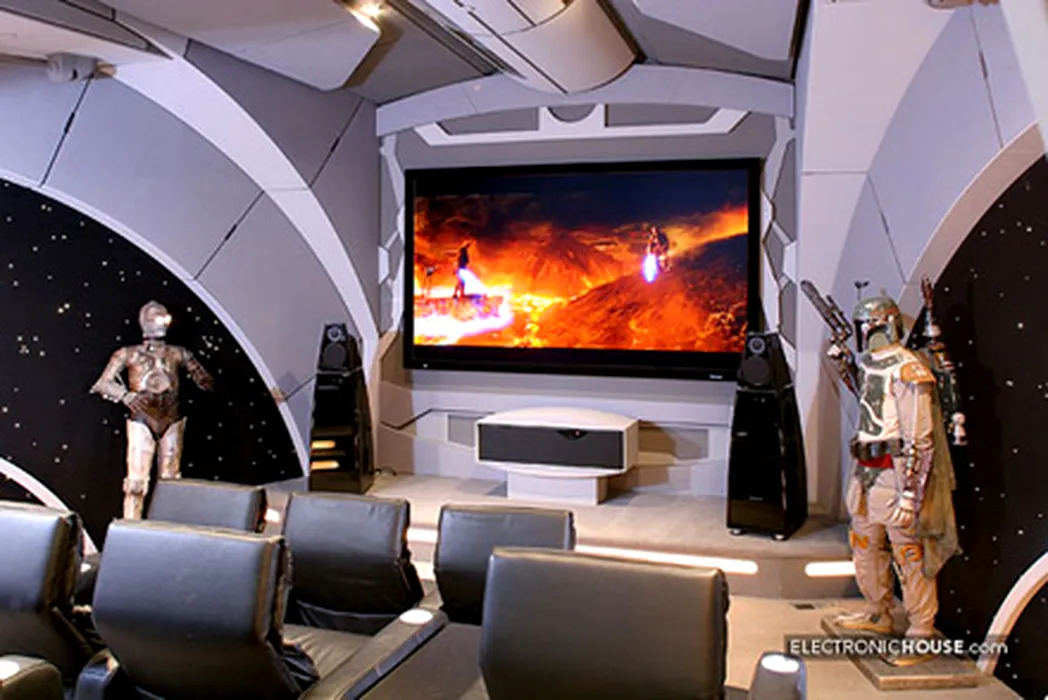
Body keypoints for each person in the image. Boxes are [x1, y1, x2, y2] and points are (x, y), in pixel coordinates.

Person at [824, 292, 959, 665]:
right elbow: (869, 401)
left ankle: (921, 631)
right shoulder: (872, 364)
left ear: (885, 324)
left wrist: (910, 494)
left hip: (896, 472)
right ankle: (877, 610)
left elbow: (919, 436)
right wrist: (845, 366)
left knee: (908, 552)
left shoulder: (908, 368)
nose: (864, 332)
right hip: (866, 468)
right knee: (864, 542)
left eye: (868, 325)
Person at [91, 301, 214, 519]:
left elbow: (206, 381)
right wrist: (126, 395)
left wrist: (201, 376)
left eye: (162, 318)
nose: (159, 322)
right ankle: (131, 528)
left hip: (171, 418)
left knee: (171, 482)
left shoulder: (178, 353)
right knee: (136, 484)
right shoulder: (128, 354)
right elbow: (102, 383)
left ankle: (167, 528)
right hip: (142, 418)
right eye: (155, 318)